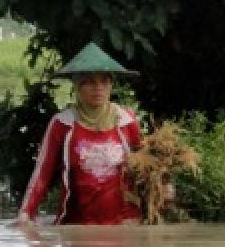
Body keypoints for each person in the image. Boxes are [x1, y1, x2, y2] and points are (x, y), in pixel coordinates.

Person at [16, 43, 143, 225]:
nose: (97, 88)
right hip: (78, 224)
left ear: (110, 86)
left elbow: (148, 166)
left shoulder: (126, 121)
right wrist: (26, 214)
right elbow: (42, 173)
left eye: (104, 81)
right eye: (89, 82)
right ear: (77, 87)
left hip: (124, 224)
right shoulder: (62, 124)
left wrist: (165, 188)